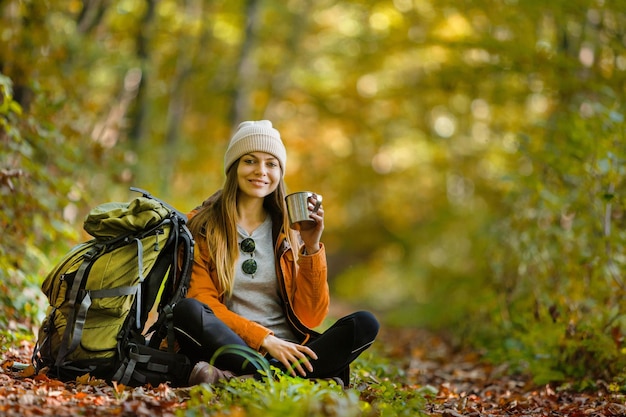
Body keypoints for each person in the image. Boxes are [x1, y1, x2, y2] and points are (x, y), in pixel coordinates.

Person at [172, 120, 379, 387]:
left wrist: (312, 247)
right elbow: (204, 301)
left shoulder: (288, 230)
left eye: (271, 164)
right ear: (234, 167)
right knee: (189, 311)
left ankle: (244, 379)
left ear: (280, 172)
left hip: (291, 349)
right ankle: (295, 379)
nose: (261, 171)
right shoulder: (201, 227)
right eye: (250, 161)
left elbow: (311, 316)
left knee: (364, 323)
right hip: (234, 346)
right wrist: (265, 340)